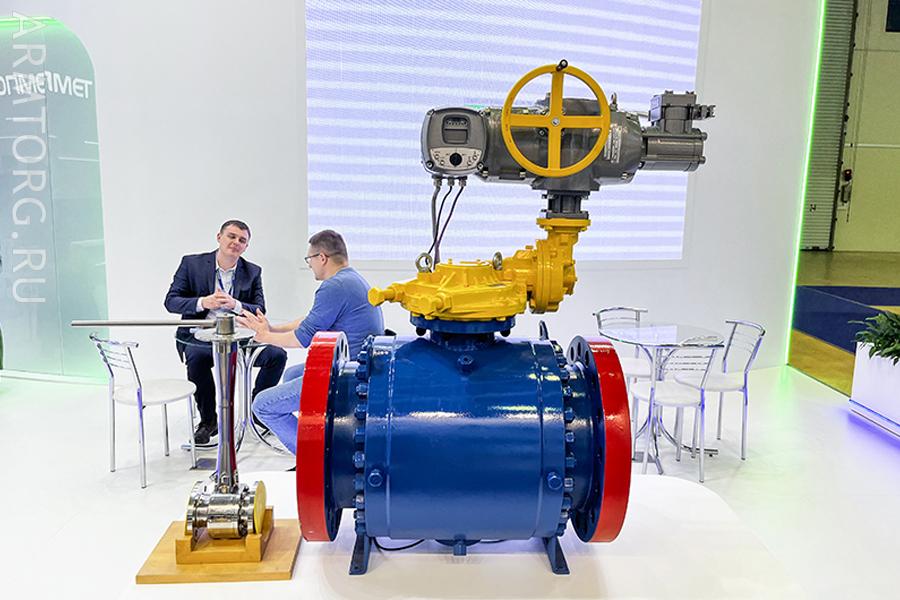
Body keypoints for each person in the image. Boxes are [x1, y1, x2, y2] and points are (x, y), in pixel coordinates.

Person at [237, 229, 383, 454]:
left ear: (321, 257)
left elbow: (301, 339)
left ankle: (313, 459)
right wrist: (272, 328)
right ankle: (318, 438)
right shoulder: (351, 279)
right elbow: (311, 321)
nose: (310, 265)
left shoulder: (334, 287)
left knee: (263, 405)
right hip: (357, 368)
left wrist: (264, 336)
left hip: (348, 376)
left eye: (310, 259)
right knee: (292, 374)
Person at [164, 220, 287, 444]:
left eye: (242, 240)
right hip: (201, 336)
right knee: (196, 358)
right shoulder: (191, 264)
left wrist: (235, 304)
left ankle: (256, 412)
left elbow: (260, 309)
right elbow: (171, 302)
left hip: (239, 337)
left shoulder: (253, 271)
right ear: (219, 237)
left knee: (277, 356)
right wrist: (203, 302)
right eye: (231, 236)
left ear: (246, 247)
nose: (236, 242)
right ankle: (208, 421)